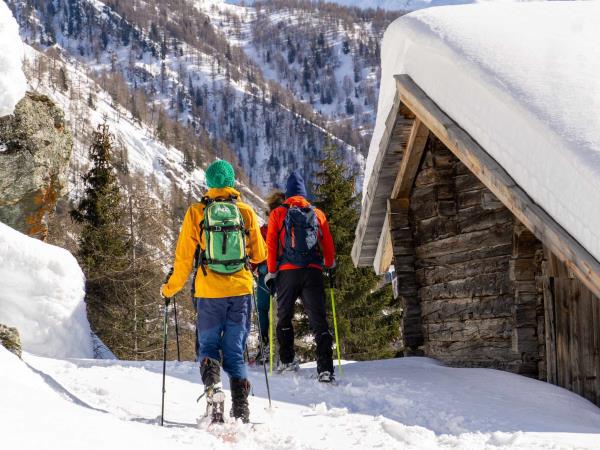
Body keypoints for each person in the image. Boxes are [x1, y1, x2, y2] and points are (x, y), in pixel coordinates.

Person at [161, 159, 267, 423]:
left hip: (208, 293)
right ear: (231, 183)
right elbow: (260, 254)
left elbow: (184, 259)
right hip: (240, 291)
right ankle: (241, 409)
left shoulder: (196, 212)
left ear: (208, 183)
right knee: (234, 350)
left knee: (208, 346)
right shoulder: (244, 211)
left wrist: (169, 288)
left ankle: (214, 393)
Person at [265, 170, 336, 382]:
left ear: (287, 194)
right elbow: (328, 245)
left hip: (287, 273)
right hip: (312, 271)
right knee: (318, 320)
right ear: (304, 193)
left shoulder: (278, 213)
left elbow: (271, 245)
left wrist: (271, 272)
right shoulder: (317, 213)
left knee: (284, 316)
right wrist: (330, 265)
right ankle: (325, 369)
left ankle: (286, 360)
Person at [254, 191, 285, 364]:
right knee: (282, 312)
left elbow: (255, 254)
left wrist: (252, 268)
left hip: (264, 274)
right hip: (285, 273)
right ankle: (283, 348)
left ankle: (264, 346)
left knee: (262, 310)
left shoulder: (263, 231)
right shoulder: (288, 228)